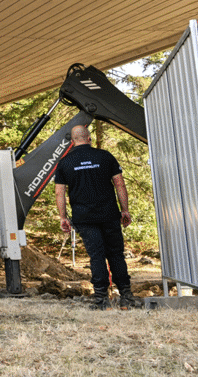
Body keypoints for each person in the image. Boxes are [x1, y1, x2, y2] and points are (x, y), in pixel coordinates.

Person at [54, 125, 138, 310]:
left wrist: (63, 217)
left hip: (84, 217)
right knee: (115, 254)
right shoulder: (105, 156)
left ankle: (101, 300)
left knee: (96, 256)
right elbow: (120, 184)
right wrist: (125, 210)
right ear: (89, 138)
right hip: (109, 213)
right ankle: (126, 297)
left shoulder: (65, 162)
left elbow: (59, 193)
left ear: (72, 142)